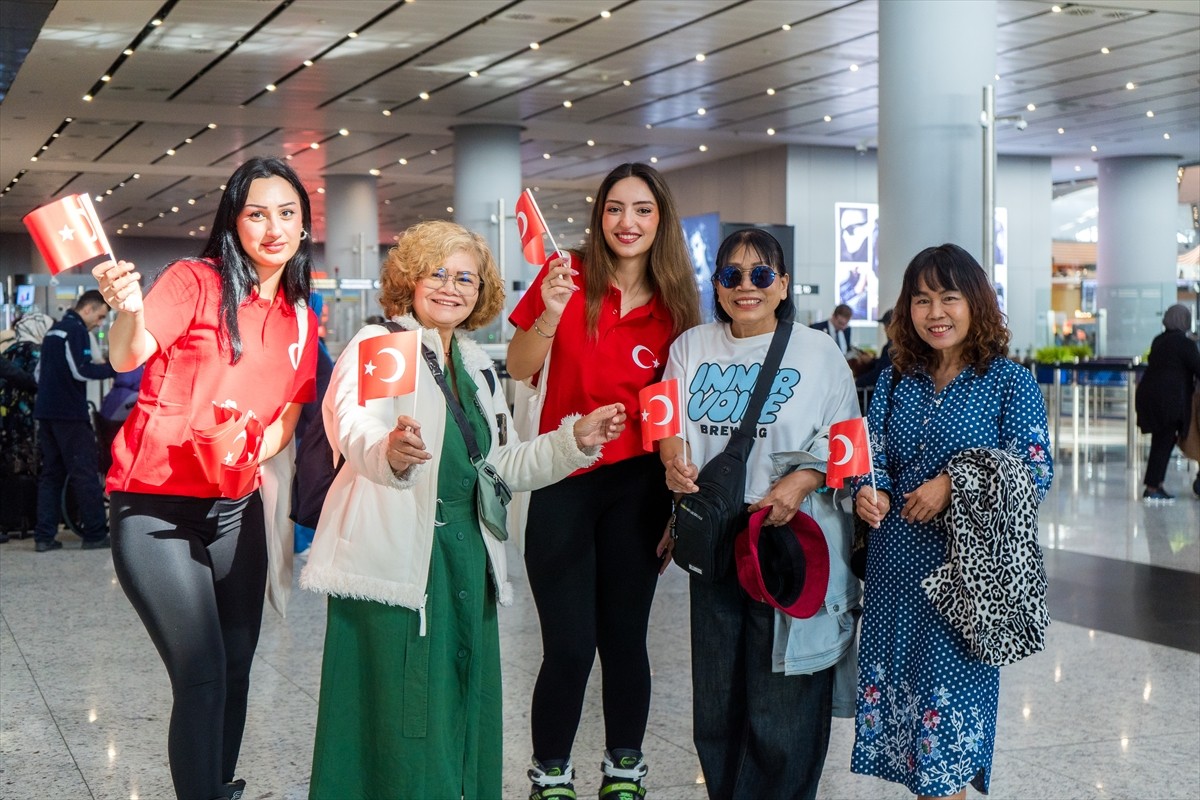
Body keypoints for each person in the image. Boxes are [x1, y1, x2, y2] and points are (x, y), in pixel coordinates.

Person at [299, 220, 627, 799]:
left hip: (466, 559)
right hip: (398, 567)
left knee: (460, 707)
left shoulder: (476, 367)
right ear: (411, 280)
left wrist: (574, 440)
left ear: (482, 293)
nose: (452, 288)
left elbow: (500, 466)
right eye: (439, 274)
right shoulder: (384, 344)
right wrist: (388, 452)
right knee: (400, 720)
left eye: (467, 279)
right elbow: (354, 423)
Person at [92, 156, 320, 800]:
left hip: (235, 506)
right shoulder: (196, 281)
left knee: (237, 668)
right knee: (201, 671)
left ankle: (217, 786)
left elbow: (288, 416)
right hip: (155, 508)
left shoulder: (300, 314)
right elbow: (126, 353)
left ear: (304, 225)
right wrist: (129, 309)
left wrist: (251, 445)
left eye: (287, 213)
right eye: (256, 213)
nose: (272, 227)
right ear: (234, 220)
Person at [506, 162, 700, 798]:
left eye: (642, 210)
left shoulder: (676, 304)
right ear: (599, 215)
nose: (628, 222)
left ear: (660, 220)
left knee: (625, 640)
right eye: (616, 208)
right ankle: (550, 774)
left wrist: (674, 503)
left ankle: (624, 769)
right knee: (567, 644)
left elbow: (678, 410)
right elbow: (519, 365)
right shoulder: (567, 277)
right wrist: (551, 312)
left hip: (638, 488)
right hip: (566, 475)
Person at [659, 228, 860, 799]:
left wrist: (802, 479)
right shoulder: (691, 347)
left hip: (788, 538)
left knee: (783, 696)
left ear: (783, 284)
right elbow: (666, 425)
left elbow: (846, 443)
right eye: (732, 276)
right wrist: (673, 464)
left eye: (761, 274)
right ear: (717, 285)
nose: (746, 286)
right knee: (718, 696)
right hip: (715, 536)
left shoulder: (819, 353)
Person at [851, 243, 1053, 799]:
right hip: (895, 575)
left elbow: (1036, 471)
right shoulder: (896, 378)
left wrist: (955, 484)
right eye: (921, 300)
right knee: (912, 745)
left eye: (949, 297)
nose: (935, 312)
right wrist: (870, 491)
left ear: (977, 303)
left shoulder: (1008, 381)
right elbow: (873, 452)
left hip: (962, 582)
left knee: (946, 751)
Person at [32, 291, 116, 552]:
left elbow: (37, 374)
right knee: (84, 473)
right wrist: (116, 367)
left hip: (45, 413)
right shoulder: (75, 330)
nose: (100, 323)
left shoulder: (53, 331)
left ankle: (44, 537)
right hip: (69, 414)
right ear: (88, 309)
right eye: (100, 316)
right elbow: (81, 369)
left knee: (51, 475)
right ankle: (94, 534)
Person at [1135, 303, 1200, 501]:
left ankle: (1156, 484)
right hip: (1169, 402)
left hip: (1151, 398)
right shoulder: (1184, 343)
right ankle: (1153, 488)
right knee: (1163, 443)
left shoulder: (1159, 340)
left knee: (1160, 442)